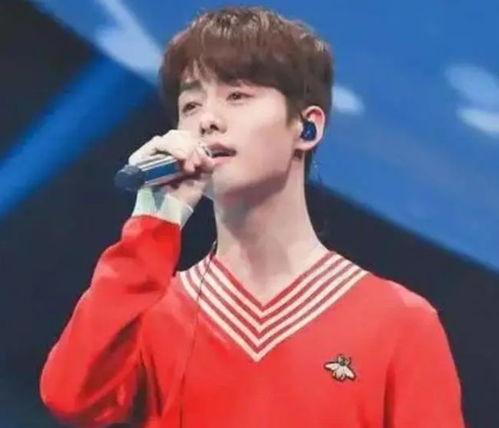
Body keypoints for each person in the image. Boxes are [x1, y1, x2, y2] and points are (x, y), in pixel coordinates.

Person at [40, 6, 465, 428]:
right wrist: (153, 221)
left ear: (307, 128)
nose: (207, 120)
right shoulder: (151, 312)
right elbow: (71, 397)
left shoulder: (400, 323)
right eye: (191, 104)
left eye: (237, 96)